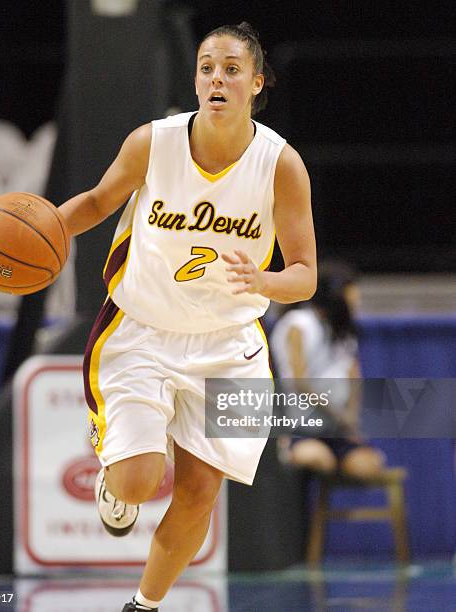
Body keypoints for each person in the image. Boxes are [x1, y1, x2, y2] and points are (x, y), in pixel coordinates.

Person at [58, 22, 316, 612]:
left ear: (256, 82)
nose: (216, 78)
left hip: (230, 343)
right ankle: (112, 464)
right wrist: (49, 228)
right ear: (195, 79)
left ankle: (144, 606)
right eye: (206, 67)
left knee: (200, 494)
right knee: (139, 481)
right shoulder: (154, 141)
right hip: (142, 330)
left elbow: (305, 275)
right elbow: (98, 201)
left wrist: (264, 279)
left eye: (230, 68)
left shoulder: (282, 165)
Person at [270, 260, 385, 478]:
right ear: (335, 294)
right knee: (318, 458)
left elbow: (353, 374)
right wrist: (338, 414)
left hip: (337, 431)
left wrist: (350, 419)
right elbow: (299, 381)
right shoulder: (298, 323)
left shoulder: (342, 330)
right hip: (302, 427)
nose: (357, 299)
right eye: (352, 293)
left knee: (368, 465)